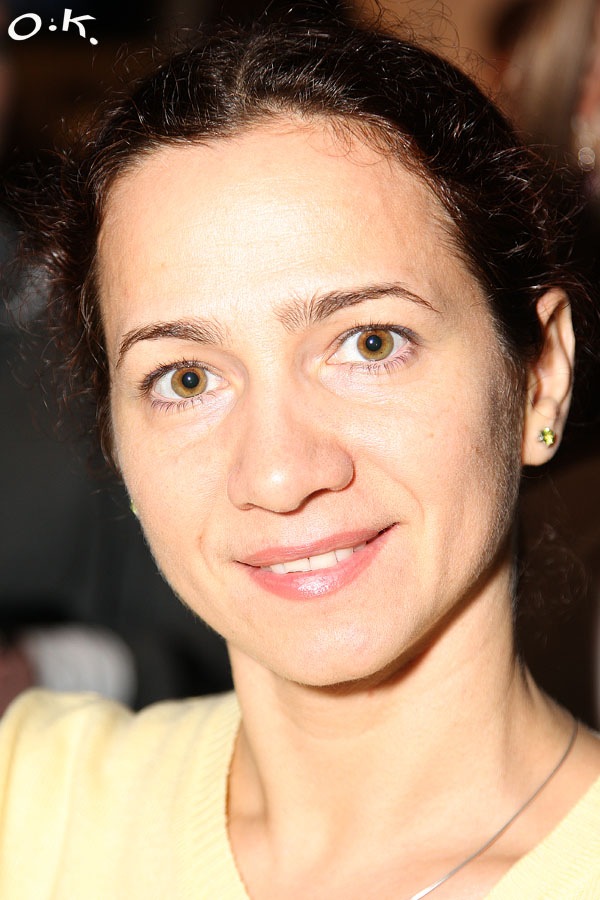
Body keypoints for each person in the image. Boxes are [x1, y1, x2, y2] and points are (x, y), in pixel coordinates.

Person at [1, 17, 599, 899]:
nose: (279, 475)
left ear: (541, 375)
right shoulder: (30, 804)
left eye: (369, 343)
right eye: (187, 378)